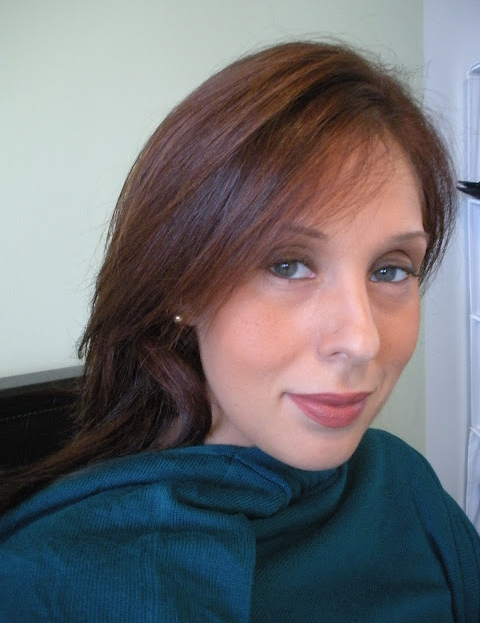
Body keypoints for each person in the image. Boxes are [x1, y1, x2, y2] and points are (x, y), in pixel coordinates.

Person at [0, 41, 478, 622]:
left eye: (390, 270)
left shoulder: (407, 488)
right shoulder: (51, 583)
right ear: (182, 285)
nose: (362, 341)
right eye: (287, 264)